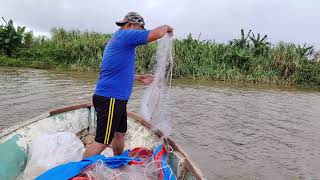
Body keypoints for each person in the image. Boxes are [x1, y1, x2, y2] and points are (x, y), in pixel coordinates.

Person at [83, 12, 173, 159]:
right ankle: (80, 171)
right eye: (140, 28)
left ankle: (118, 160)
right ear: (130, 25)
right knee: (102, 142)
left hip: (116, 100)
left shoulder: (120, 40)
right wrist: (167, 28)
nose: (142, 32)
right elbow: (157, 33)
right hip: (110, 99)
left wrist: (138, 77)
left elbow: (116, 70)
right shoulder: (126, 36)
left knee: (120, 133)